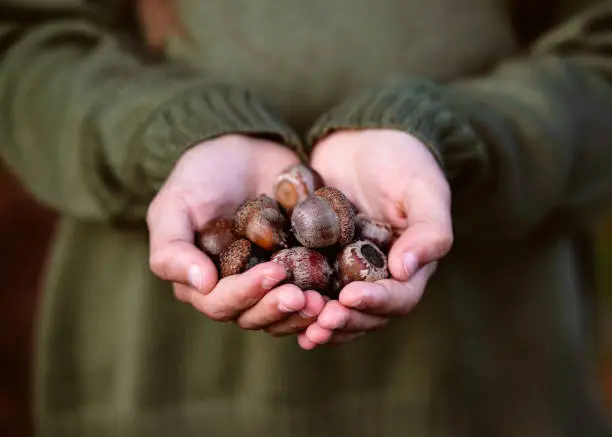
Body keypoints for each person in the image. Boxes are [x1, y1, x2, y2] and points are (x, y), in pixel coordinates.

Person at [1, 0, 612, 435]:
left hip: (490, 378)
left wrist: (452, 137)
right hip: (156, 375)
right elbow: (25, 40)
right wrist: (168, 134)